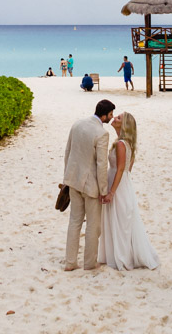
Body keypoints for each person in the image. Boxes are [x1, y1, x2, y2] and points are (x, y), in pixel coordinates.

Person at [98, 112, 159, 270]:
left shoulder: (120, 144)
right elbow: (127, 170)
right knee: (121, 219)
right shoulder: (127, 144)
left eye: (118, 118)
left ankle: (121, 256)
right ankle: (119, 253)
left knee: (119, 220)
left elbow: (120, 169)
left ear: (124, 125)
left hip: (117, 185)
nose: (114, 118)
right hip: (124, 184)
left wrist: (111, 192)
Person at [62, 99, 114, 271]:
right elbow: (101, 164)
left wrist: (67, 178)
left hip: (73, 180)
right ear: (104, 115)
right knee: (93, 225)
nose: (111, 117)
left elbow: (68, 152)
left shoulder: (77, 124)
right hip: (91, 186)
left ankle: (70, 262)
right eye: (110, 114)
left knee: (74, 222)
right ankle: (89, 263)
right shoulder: (102, 133)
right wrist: (104, 190)